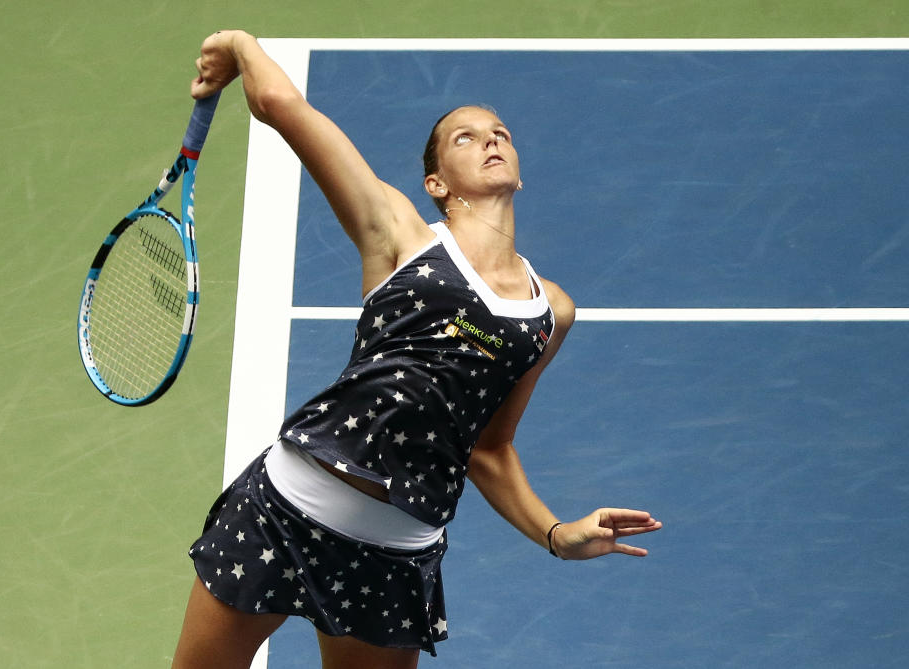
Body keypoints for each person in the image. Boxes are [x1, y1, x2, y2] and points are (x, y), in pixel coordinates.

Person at [172, 30, 662, 669]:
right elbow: (283, 107)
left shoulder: (551, 313)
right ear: (436, 182)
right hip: (286, 512)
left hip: (393, 555)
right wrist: (239, 45)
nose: (491, 139)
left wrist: (556, 533)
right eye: (467, 136)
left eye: (500, 133)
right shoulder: (398, 232)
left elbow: (487, 447)